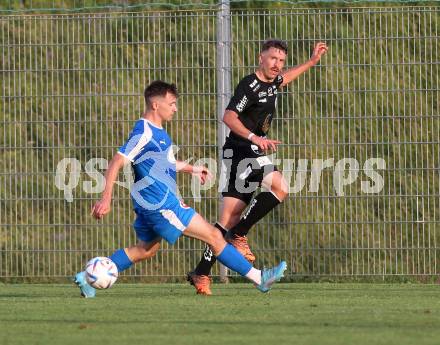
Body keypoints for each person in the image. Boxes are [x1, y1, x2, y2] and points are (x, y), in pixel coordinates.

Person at [74, 80, 287, 298]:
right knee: (214, 236)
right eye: (172, 103)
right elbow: (116, 162)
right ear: (156, 105)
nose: (175, 108)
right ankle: (259, 278)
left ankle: (86, 278)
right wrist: (105, 199)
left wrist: (192, 169)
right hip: (162, 204)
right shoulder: (144, 132)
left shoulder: (159, 133)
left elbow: (166, 162)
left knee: (145, 250)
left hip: (149, 205)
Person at [188, 39, 328, 295]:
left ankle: (201, 272)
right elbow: (228, 116)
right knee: (280, 186)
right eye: (273, 59)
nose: (277, 65)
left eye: (281, 60)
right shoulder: (249, 85)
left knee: (225, 221)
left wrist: (310, 62)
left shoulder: (273, 82)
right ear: (261, 58)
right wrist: (254, 138)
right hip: (243, 150)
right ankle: (239, 234)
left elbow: (283, 80)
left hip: (244, 151)